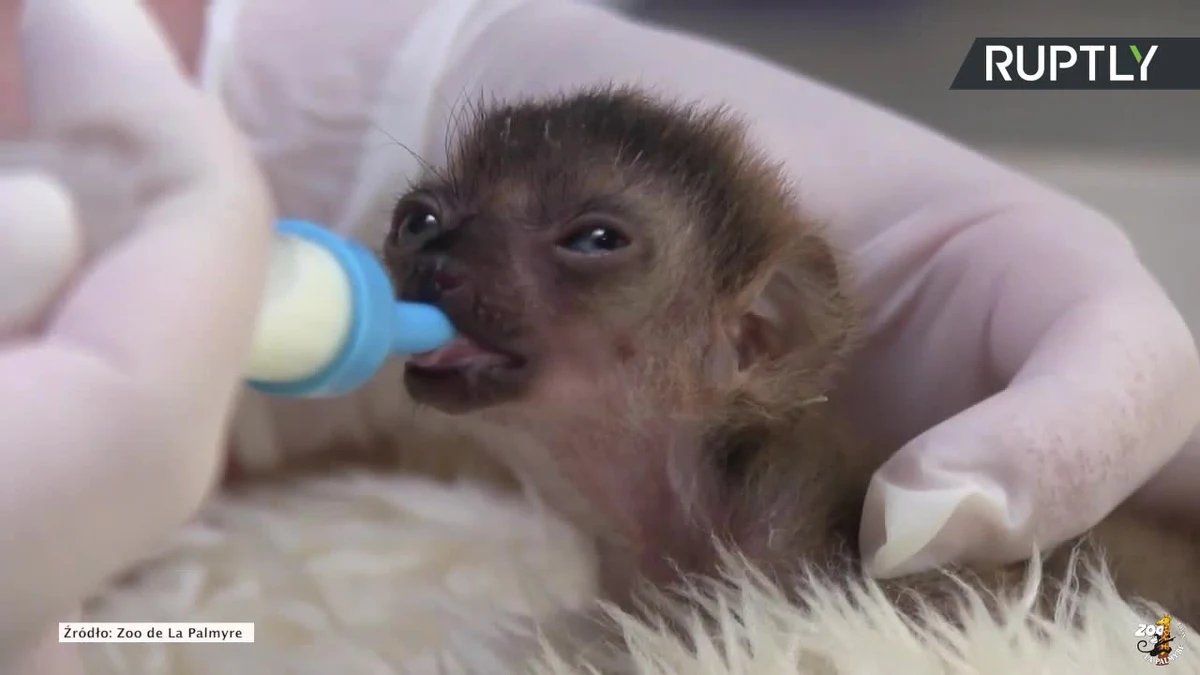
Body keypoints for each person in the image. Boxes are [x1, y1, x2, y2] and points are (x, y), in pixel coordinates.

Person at [1, 0, 1196, 672]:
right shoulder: (590, 559)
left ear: (755, 336)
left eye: (592, 242)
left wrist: (1158, 646)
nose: (434, 258)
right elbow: (176, 628)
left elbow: (1132, 639)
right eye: (422, 218)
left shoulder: (809, 547)